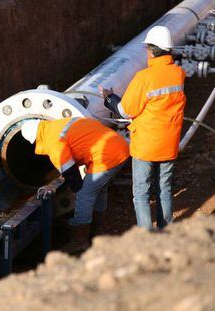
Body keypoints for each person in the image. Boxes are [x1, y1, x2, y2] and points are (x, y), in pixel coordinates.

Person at [99, 25, 187, 230]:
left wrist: (109, 98)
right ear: (169, 50)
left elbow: (126, 110)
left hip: (146, 146)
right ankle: (166, 231)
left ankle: (146, 238)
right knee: (164, 188)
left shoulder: (143, 78)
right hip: (169, 142)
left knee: (141, 193)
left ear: (150, 49)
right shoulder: (178, 73)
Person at [21, 117, 129, 252]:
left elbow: (71, 173)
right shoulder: (57, 125)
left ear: (35, 139)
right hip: (119, 145)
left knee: (84, 195)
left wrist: (75, 191)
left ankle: (80, 240)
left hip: (107, 156)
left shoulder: (52, 143)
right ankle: (98, 232)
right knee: (99, 190)